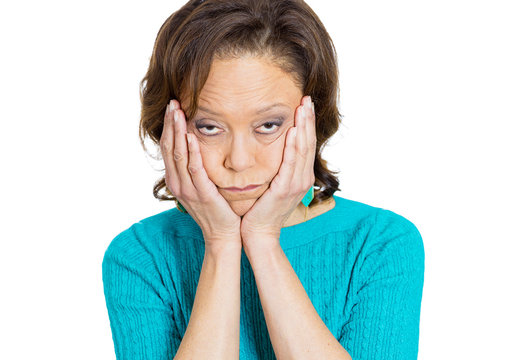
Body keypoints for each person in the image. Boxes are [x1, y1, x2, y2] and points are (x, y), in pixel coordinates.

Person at [102, 1, 425, 359]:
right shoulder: (140, 256)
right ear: (171, 131)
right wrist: (221, 243)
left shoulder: (380, 244)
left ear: (312, 123)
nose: (239, 161)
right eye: (209, 127)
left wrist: (263, 242)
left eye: (268, 125)